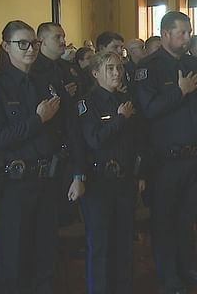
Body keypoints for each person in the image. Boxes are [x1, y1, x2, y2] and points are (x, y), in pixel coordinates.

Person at [0, 20, 86, 293]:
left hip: (48, 180)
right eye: (22, 44)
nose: (30, 49)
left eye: (34, 43)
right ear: (6, 46)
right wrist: (37, 120)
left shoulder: (48, 82)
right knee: (14, 261)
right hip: (14, 185)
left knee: (45, 257)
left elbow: (70, 129)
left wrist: (77, 172)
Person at [133, 11, 197, 293]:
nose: (186, 37)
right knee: (165, 221)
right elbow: (149, 110)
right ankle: (168, 277)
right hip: (165, 160)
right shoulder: (149, 68)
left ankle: (189, 269)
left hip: (196, 156)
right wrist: (179, 92)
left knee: (188, 218)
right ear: (166, 34)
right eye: (181, 32)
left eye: (189, 31)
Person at [78, 50, 146, 294]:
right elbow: (95, 139)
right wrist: (119, 119)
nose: (117, 73)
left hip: (125, 180)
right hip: (99, 183)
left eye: (119, 68)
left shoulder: (126, 99)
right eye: (110, 69)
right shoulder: (88, 103)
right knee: (100, 244)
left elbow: (137, 141)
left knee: (124, 241)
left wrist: (139, 175)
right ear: (96, 73)